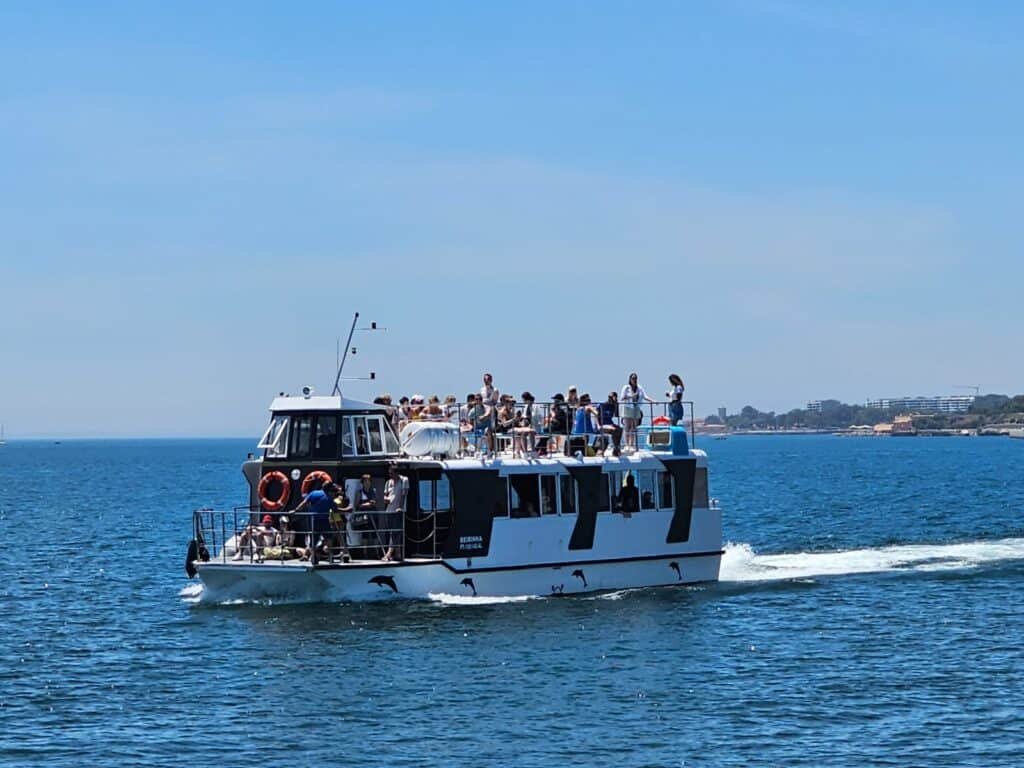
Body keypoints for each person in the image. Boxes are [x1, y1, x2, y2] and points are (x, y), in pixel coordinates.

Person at [293, 480, 342, 563]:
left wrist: (295, 510)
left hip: (313, 520)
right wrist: (347, 509)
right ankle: (329, 556)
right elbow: (336, 510)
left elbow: (304, 502)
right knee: (329, 538)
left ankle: (313, 557)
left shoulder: (314, 493)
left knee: (313, 540)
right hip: (324, 521)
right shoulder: (329, 498)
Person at [620, 372, 654, 452]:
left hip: (636, 408)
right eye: (633, 378)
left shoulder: (639, 387)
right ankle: (627, 445)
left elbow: (645, 396)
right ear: (630, 379)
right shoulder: (626, 387)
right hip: (628, 408)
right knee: (627, 427)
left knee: (634, 427)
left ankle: (632, 444)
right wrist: (631, 396)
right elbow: (622, 397)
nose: (634, 380)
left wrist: (652, 401)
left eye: (635, 378)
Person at [382, 465, 409, 561]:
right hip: (389, 510)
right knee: (392, 533)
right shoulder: (388, 482)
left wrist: (400, 507)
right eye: (389, 473)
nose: (390, 475)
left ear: (397, 473)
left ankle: (388, 554)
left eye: (392, 473)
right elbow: (385, 495)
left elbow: (404, 495)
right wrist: (385, 499)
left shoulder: (404, 480)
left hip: (398, 511)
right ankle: (398, 553)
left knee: (395, 531)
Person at [597, 391, 623, 456]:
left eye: (611, 398)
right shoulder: (602, 405)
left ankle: (616, 448)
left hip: (610, 423)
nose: (610, 399)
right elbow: (596, 416)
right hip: (602, 424)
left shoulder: (613, 406)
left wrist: (616, 404)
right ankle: (616, 448)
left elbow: (616, 415)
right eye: (609, 397)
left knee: (620, 429)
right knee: (613, 430)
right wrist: (598, 425)